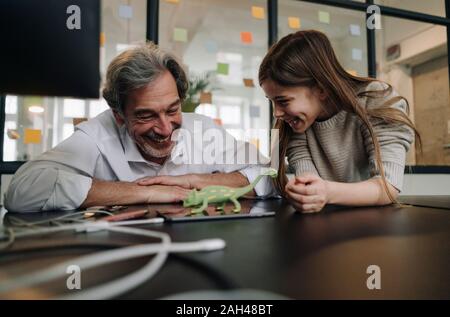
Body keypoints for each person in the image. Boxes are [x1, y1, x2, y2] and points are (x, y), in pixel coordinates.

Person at [5, 43, 273, 212]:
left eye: (172, 109)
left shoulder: (202, 129)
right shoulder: (98, 134)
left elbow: (269, 176)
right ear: (119, 115)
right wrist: (144, 192)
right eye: (146, 116)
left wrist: (196, 181)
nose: (166, 128)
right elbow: (23, 190)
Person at [258, 30, 420, 213]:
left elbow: (387, 187)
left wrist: (326, 192)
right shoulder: (299, 124)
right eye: (271, 101)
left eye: (283, 101)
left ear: (321, 89)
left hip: (376, 227)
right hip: (326, 225)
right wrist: (305, 193)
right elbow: (310, 187)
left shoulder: (377, 101)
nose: (277, 113)